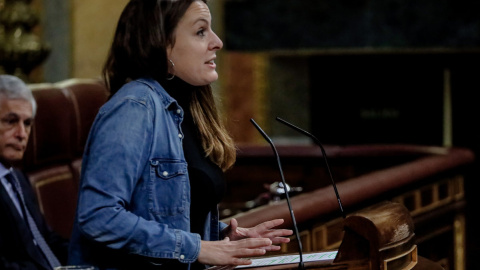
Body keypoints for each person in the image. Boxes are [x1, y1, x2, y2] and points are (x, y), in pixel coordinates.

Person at [67, 0, 293, 269]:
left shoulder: (184, 107)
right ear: (161, 42)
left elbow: (167, 213)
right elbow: (99, 216)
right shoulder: (134, 107)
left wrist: (222, 238)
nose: (217, 42)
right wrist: (198, 248)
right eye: (200, 32)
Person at [0, 74, 69, 269]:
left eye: (27, 123)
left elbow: (45, 240)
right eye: (11, 121)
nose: (22, 134)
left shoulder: (17, 177)